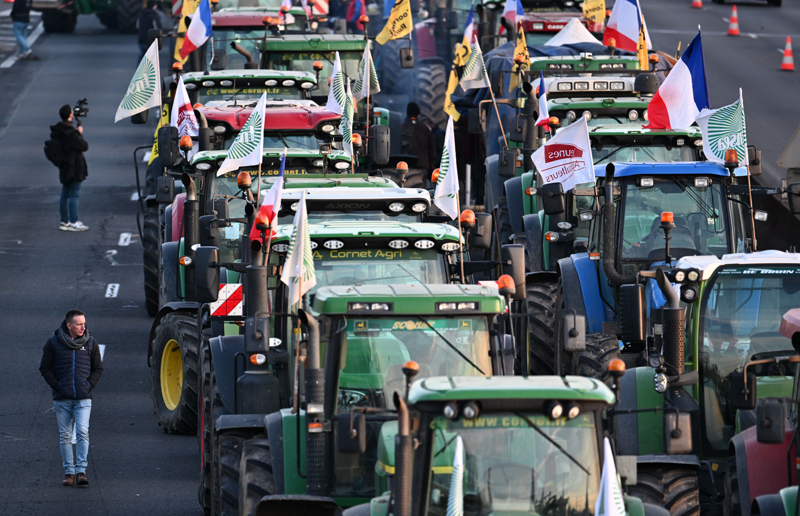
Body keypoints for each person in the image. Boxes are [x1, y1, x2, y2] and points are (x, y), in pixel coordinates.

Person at [39, 310, 103, 487]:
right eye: (79, 324)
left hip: (83, 398)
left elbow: (98, 368)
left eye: (84, 323)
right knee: (65, 436)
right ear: (69, 326)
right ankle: (69, 473)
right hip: (62, 398)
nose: (83, 327)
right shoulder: (53, 342)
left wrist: (88, 385)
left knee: (82, 432)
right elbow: (45, 368)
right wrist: (58, 386)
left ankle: (81, 471)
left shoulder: (90, 342)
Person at [51, 105, 90, 231]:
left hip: (63, 165)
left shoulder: (58, 131)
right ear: (70, 115)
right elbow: (84, 146)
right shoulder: (71, 133)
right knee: (75, 194)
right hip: (74, 166)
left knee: (65, 192)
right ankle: (74, 221)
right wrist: (79, 134)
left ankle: (64, 221)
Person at [401, 102, 437, 188]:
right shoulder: (425, 129)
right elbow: (432, 150)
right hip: (422, 165)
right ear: (418, 115)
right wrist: (430, 163)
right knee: (421, 189)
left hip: (405, 166)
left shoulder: (402, 127)